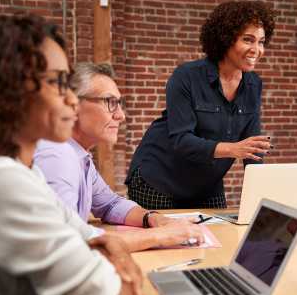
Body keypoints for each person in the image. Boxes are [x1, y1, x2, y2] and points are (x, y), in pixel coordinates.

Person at [0, 14, 142, 295]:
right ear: (8, 88)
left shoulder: (27, 173)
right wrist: (120, 262)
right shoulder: (3, 180)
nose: (71, 99)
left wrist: (111, 250)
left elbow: (87, 236)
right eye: (58, 82)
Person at [34, 62, 204, 252]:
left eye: (119, 104)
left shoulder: (79, 156)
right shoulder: (57, 155)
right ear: (72, 102)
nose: (121, 116)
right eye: (110, 102)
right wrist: (159, 236)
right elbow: (66, 242)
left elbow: (110, 204)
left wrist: (157, 220)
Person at [126, 0, 276, 209]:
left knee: (220, 240)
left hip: (207, 186)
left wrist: (262, 199)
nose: (256, 49)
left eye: (261, 42)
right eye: (248, 40)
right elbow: (182, 140)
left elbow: (252, 149)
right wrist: (233, 149)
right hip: (161, 180)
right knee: (167, 240)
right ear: (225, 39)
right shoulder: (186, 76)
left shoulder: (253, 85)